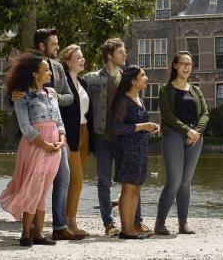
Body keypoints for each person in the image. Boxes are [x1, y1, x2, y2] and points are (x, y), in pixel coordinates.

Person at [11, 29, 82, 241]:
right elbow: (18, 103)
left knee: (62, 178)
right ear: (42, 46)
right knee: (35, 184)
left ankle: (56, 226)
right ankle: (30, 231)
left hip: (56, 136)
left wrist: (50, 95)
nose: (57, 47)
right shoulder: (27, 82)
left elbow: (70, 97)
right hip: (37, 139)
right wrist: (20, 96)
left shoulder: (57, 70)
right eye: (54, 44)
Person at [82, 38, 149, 236]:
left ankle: (136, 221)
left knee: (132, 180)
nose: (124, 55)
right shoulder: (92, 78)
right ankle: (109, 223)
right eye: (121, 52)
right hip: (102, 136)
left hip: (124, 139)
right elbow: (72, 89)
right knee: (104, 181)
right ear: (110, 55)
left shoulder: (127, 78)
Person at [0, 51, 65, 247]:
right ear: (35, 74)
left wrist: (61, 140)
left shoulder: (51, 94)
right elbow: (25, 127)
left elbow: (59, 121)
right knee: (32, 188)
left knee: (43, 190)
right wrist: (44, 144)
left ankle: (39, 234)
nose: (50, 74)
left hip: (55, 146)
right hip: (35, 145)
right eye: (46, 70)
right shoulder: (22, 96)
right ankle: (26, 233)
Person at [154, 51, 209, 235]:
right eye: (183, 63)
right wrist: (187, 130)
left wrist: (197, 132)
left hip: (195, 138)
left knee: (186, 182)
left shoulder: (196, 90)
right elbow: (168, 116)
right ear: (175, 66)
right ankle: (160, 223)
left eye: (190, 64)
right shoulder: (165, 90)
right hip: (173, 136)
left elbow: (205, 114)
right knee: (174, 181)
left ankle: (183, 223)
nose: (186, 67)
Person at [111, 65, 160, 239]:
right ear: (133, 80)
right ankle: (126, 230)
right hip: (127, 150)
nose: (146, 77)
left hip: (140, 149)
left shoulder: (139, 99)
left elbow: (138, 125)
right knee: (128, 188)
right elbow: (116, 127)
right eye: (143, 75)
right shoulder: (123, 100)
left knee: (136, 188)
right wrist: (142, 126)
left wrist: (150, 127)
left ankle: (131, 227)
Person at [57, 43, 93, 237]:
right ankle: (69, 221)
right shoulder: (63, 84)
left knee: (77, 180)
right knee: (76, 179)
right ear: (68, 62)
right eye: (78, 57)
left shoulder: (83, 83)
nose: (82, 60)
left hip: (84, 132)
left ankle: (68, 219)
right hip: (69, 134)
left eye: (82, 56)